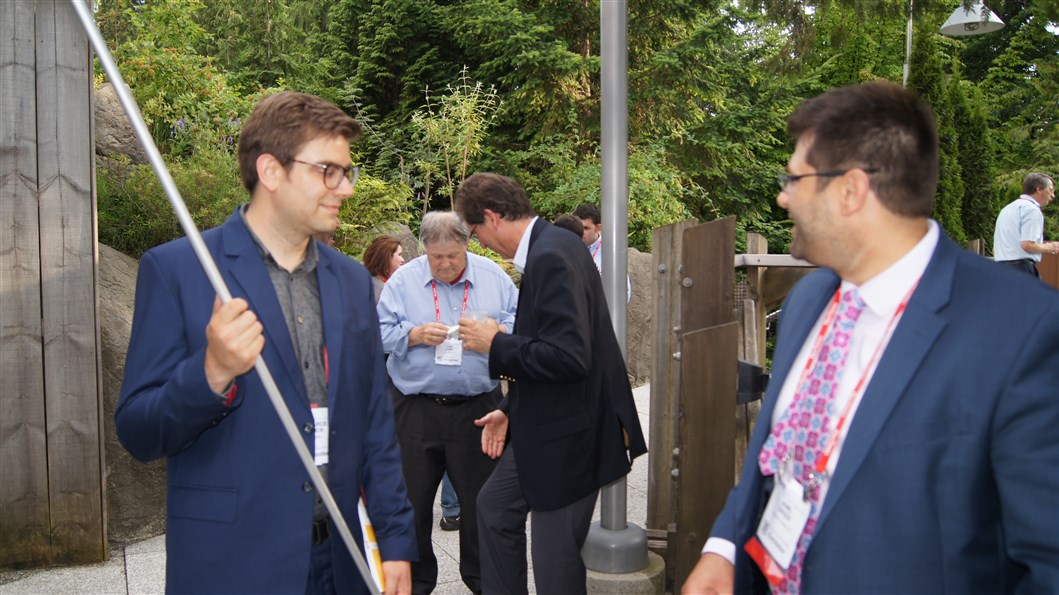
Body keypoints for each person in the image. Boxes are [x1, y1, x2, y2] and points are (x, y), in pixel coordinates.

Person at [682, 81, 1059, 594]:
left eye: (793, 179)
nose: (781, 195)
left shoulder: (1025, 331)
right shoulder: (807, 302)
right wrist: (723, 548)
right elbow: (776, 455)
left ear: (850, 190)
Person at [115, 91, 416, 594]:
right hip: (234, 566)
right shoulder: (179, 271)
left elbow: (375, 427)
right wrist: (210, 373)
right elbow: (138, 431)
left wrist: (397, 541)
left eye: (347, 172)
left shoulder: (352, 282)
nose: (344, 188)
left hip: (340, 563)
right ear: (271, 171)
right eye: (328, 171)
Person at [455, 173, 648, 595]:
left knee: (555, 564)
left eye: (476, 233)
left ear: (492, 217)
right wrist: (508, 410)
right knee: (493, 509)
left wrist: (496, 344)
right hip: (547, 422)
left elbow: (569, 357)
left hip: (570, 438)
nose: (480, 244)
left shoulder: (551, 256)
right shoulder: (555, 246)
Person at [376, 211, 518, 595]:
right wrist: (412, 334)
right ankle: (416, 584)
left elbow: (524, 324)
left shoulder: (494, 278)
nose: (444, 264)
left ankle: (485, 583)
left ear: (467, 245)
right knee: (412, 506)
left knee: (481, 507)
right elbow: (378, 332)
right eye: (436, 256)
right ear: (423, 248)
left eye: (453, 255)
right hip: (414, 408)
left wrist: (497, 333)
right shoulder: (403, 281)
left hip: (479, 409)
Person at [993, 172, 1059, 277]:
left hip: (1000, 269)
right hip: (1021, 269)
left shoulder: (1007, 209)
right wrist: (1049, 247)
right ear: (1039, 189)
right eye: (1050, 190)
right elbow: (1027, 245)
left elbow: (996, 248)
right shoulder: (1032, 210)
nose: (1052, 195)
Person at [573, 202, 632, 302]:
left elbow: (624, 293)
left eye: (586, 228)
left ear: (598, 228)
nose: (580, 232)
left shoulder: (611, 252)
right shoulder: (568, 247)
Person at [363, 234, 406, 303]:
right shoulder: (375, 287)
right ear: (387, 256)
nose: (403, 260)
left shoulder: (386, 281)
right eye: (399, 255)